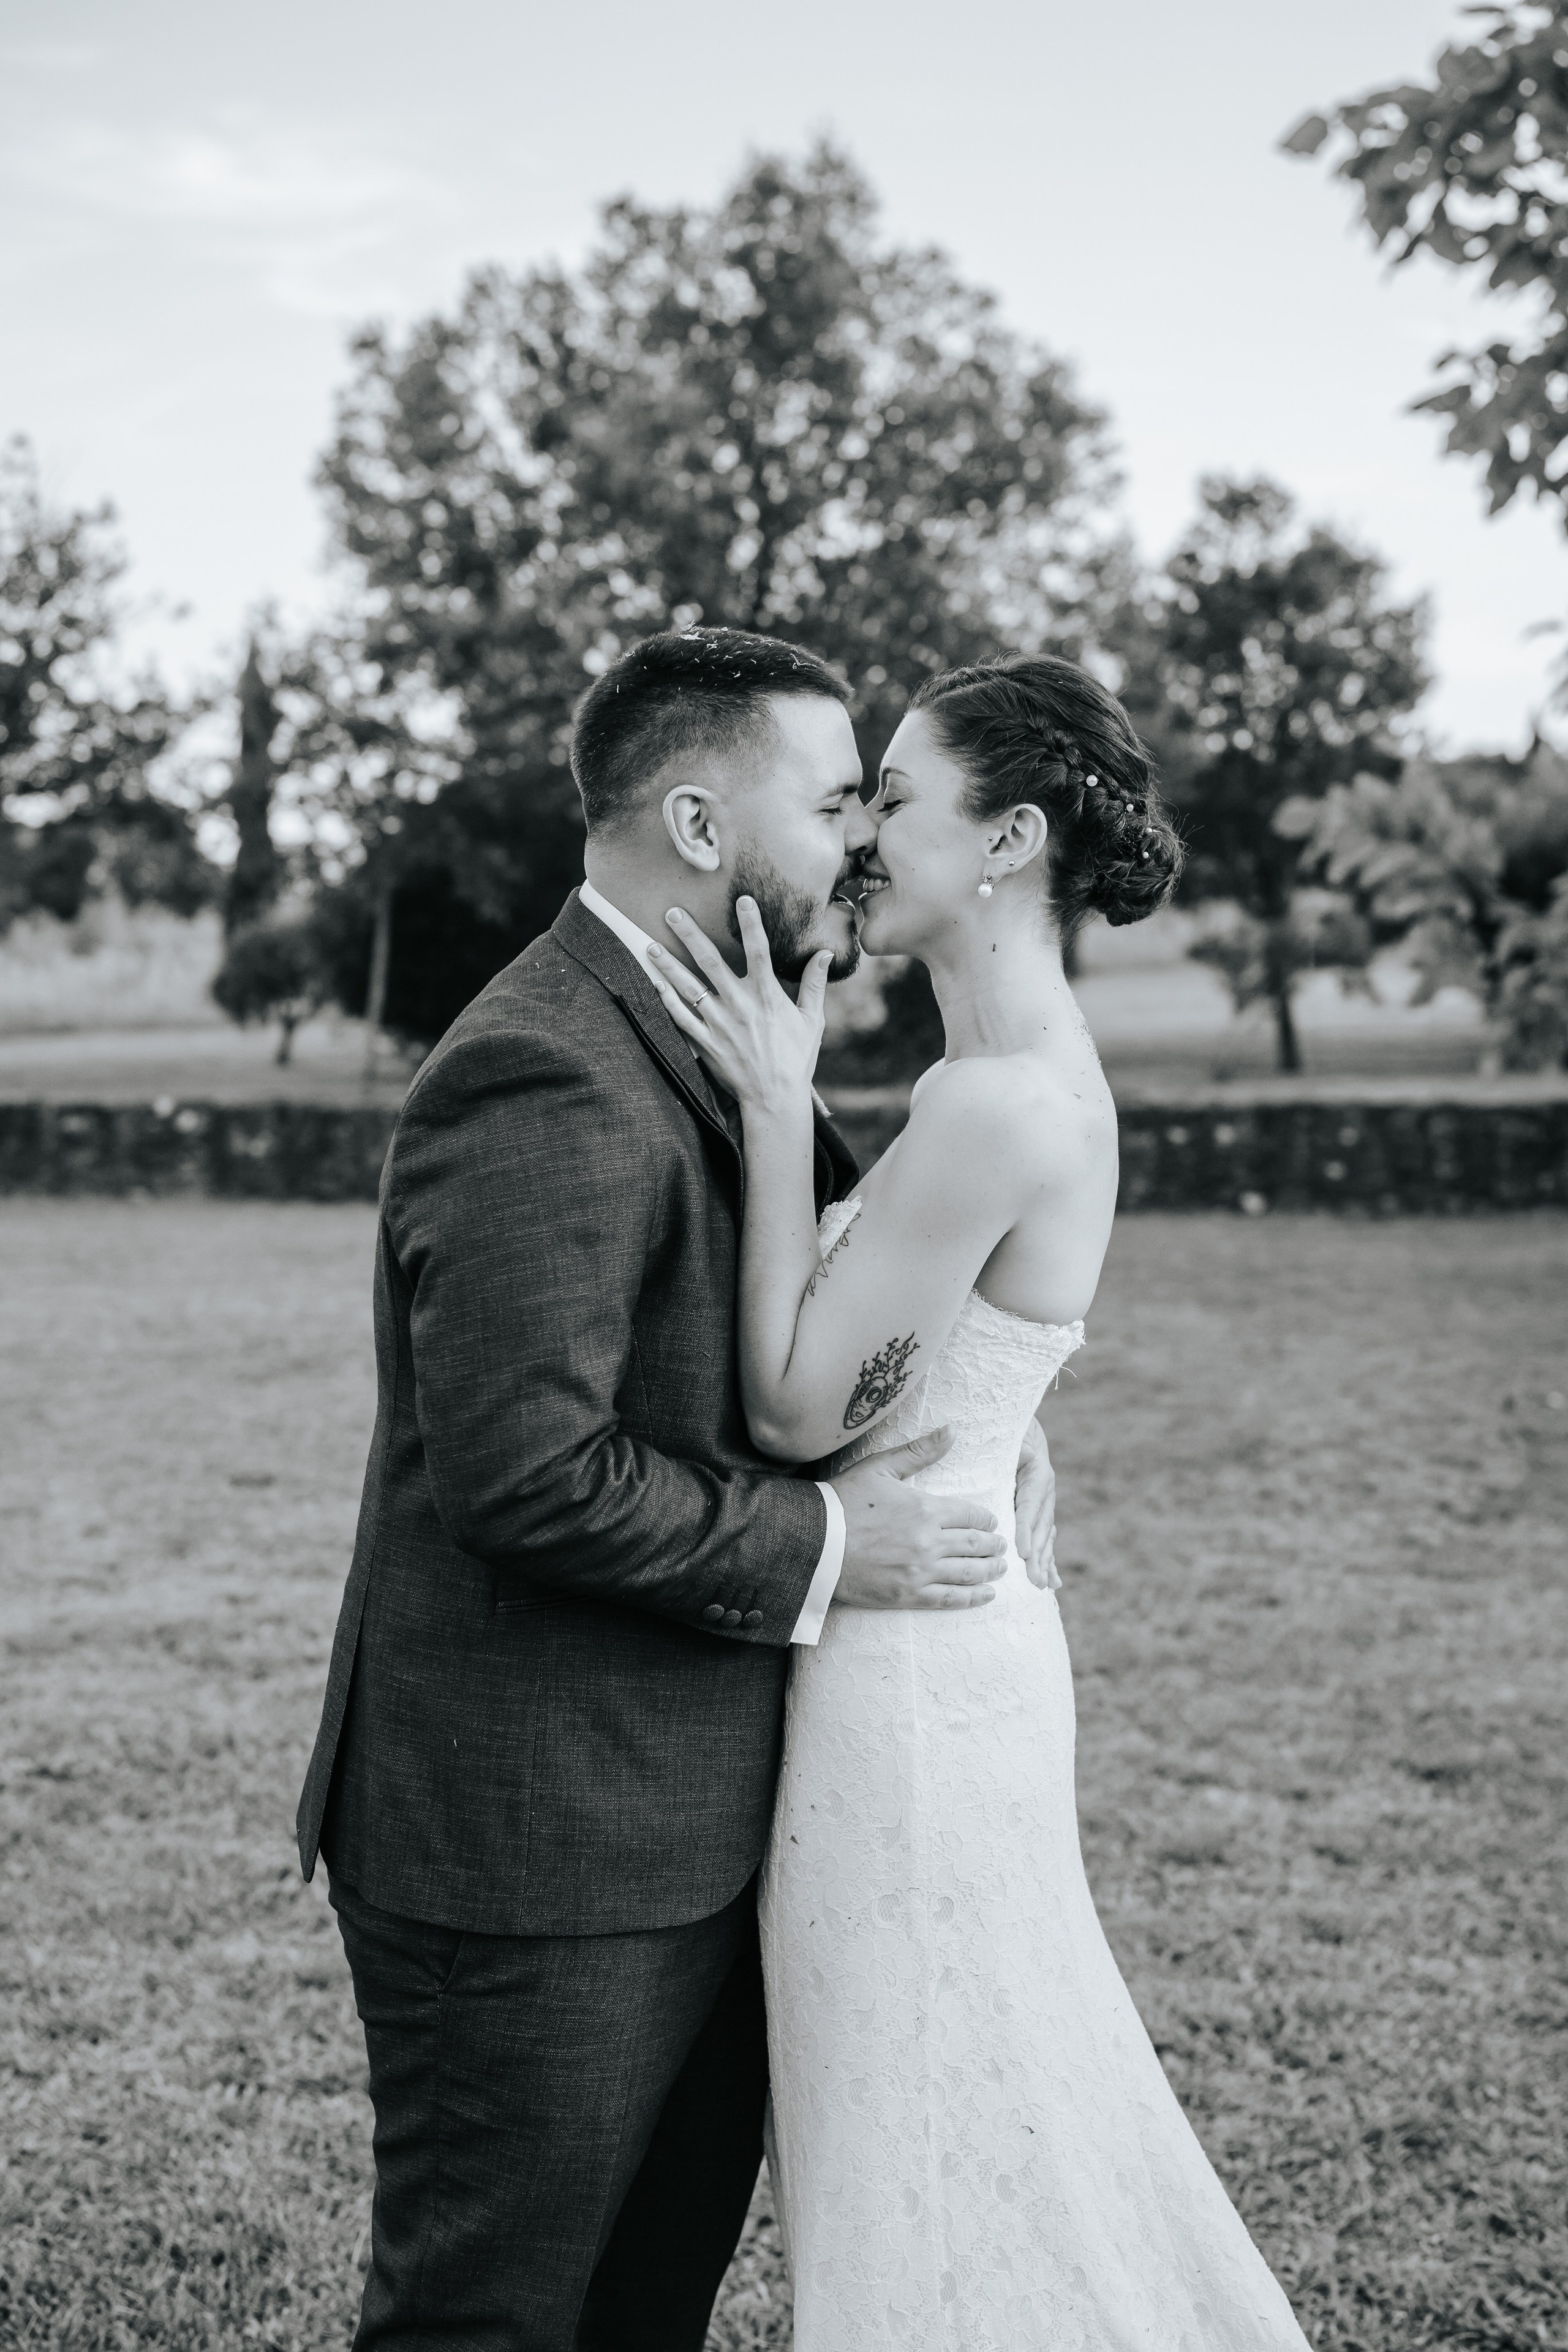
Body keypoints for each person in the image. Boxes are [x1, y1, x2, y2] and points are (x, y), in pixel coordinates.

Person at [295, 627, 1059, 2352]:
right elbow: (526, 1474)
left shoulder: (722, 1020)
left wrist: (1003, 1429)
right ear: (704, 828)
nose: (862, 838)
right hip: (533, 1847)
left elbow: (842, 1305)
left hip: (702, 1818)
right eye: (836, 797)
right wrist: (841, 1548)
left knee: (644, 2303)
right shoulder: (543, 1066)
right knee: (488, 2318)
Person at [645, 652, 1314, 2348]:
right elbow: (967, 1343)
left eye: (893, 797)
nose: (859, 832)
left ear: (1008, 839)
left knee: (921, 2136)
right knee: (963, 2098)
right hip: (956, 1628)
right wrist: (1002, 1415)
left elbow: (799, 1410)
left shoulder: (994, 1104)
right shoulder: (1021, 1080)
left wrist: (779, 1103)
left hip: (917, 1685)